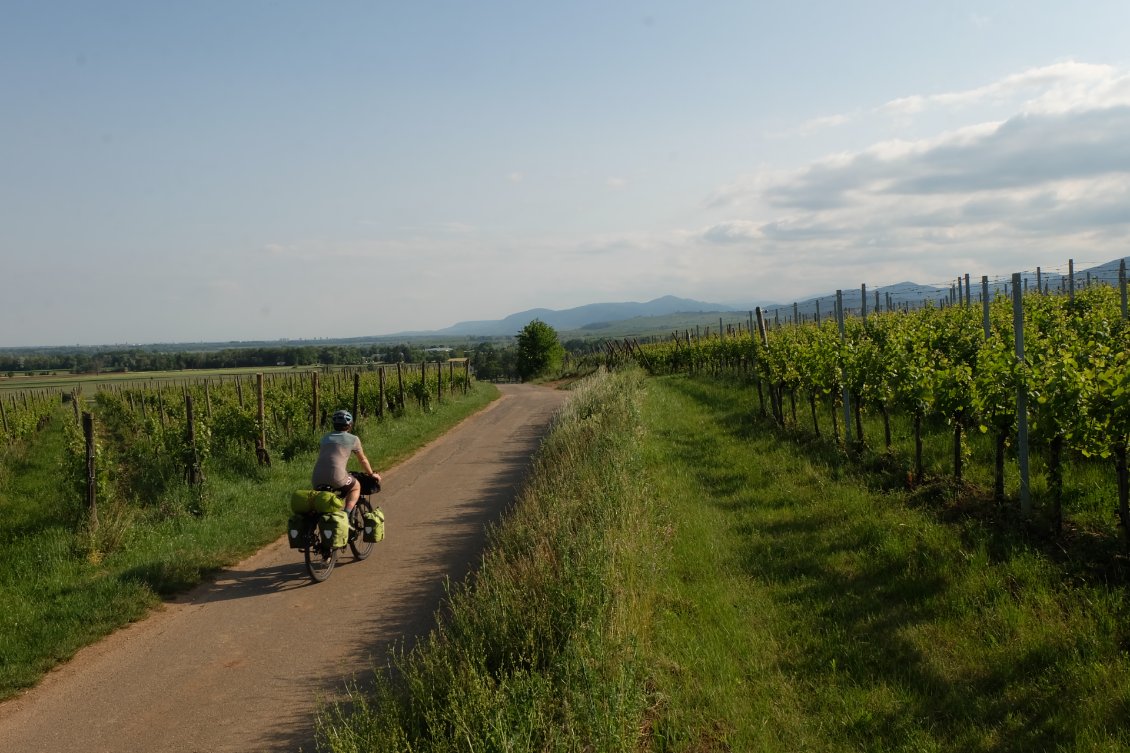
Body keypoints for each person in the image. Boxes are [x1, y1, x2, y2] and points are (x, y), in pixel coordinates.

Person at [311, 409, 381, 514]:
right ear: (350, 425)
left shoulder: (325, 438)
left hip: (316, 478)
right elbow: (362, 460)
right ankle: (346, 515)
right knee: (356, 486)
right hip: (336, 476)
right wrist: (371, 474)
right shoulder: (353, 439)